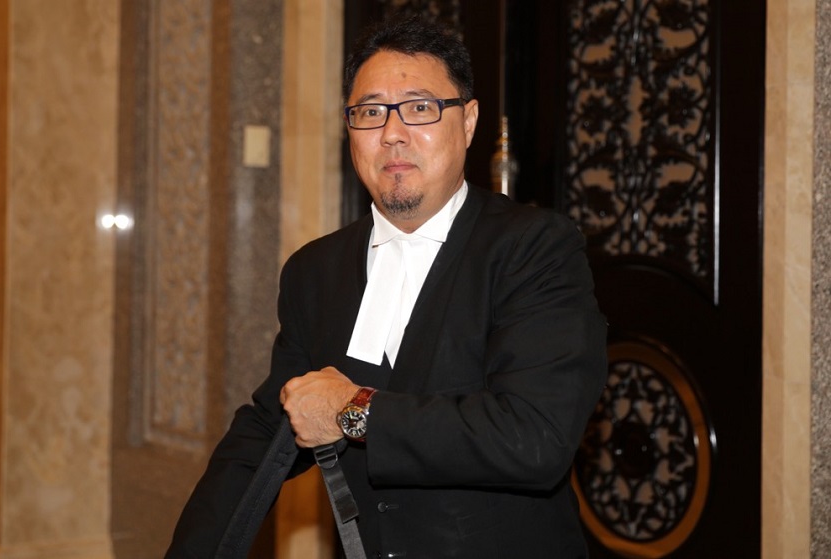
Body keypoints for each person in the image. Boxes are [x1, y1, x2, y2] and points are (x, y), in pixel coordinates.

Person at [166, 14, 607, 558]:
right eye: (370, 112)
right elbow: (270, 427)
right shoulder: (314, 270)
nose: (392, 134)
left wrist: (355, 409)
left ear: (467, 122)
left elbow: (535, 437)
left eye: (421, 107)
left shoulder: (534, 248)